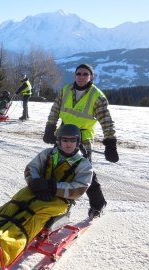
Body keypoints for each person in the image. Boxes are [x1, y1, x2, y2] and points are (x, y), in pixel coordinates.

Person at [0, 124, 93, 268]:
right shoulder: (48, 153)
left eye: (72, 140)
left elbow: (79, 188)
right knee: (14, 205)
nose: (68, 143)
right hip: (36, 191)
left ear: (78, 142)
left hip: (59, 199)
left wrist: (51, 186)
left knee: (33, 214)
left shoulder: (83, 164)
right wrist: (35, 183)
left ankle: (9, 243)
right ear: (59, 141)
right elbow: (31, 168)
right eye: (65, 140)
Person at [43, 63, 119, 219]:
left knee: (84, 172)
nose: (82, 77)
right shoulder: (65, 90)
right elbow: (54, 111)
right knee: (55, 166)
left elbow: (107, 121)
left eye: (85, 74)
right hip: (62, 135)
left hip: (82, 139)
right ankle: (56, 201)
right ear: (75, 75)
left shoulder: (97, 96)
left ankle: (98, 204)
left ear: (91, 77)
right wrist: (50, 128)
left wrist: (110, 144)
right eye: (79, 74)